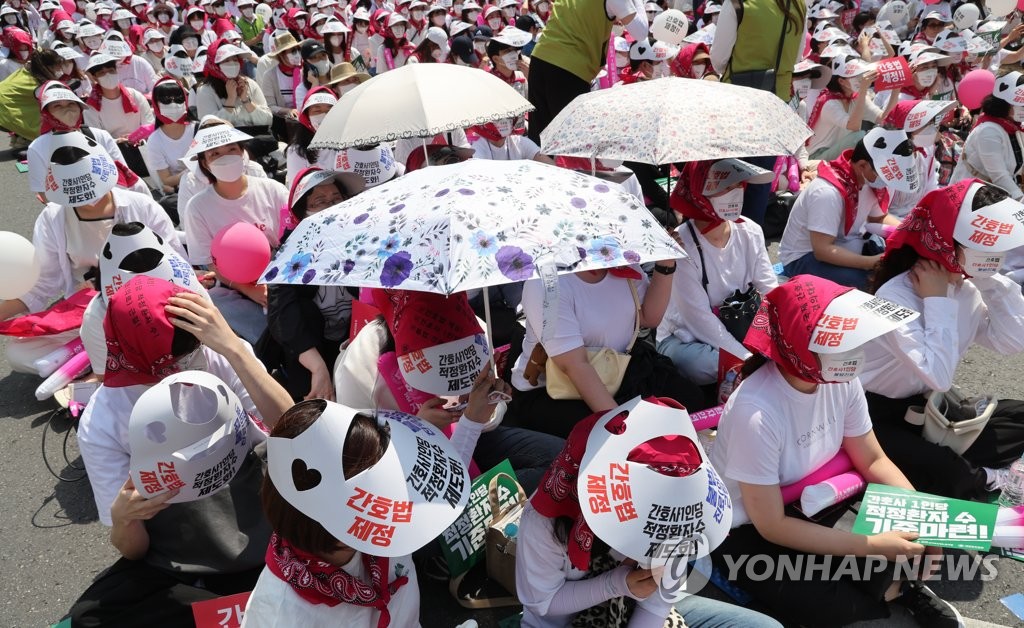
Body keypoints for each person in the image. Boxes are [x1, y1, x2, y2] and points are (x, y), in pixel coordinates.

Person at [710, 275, 963, 627]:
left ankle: (901, 590)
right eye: (842, 343)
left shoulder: (840, 380)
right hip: (751, 527)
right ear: (800, 346)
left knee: (907, 542)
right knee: (833, 603)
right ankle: (892, 592)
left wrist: (922, 516)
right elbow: (771, 525)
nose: (856, 353)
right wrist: (873, 545)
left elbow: (873, 459)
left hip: (818, 498)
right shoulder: (755, 412)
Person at [69, 276, 294, 626]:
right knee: (91, 617)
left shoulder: (220, 357)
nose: (183, 366)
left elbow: (293, 426)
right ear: (132, 349)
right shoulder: (103, 419)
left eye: (191, 352)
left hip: (264, 524)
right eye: (169, 360)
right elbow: (133, 550)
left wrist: (233, 347)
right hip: (184, 554)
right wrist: (126, 517)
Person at [517, 396, 784, 628]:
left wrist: (630, 587)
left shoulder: (682, 510)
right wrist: (617, 584)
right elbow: (542, 602)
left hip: (636, 608)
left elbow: (657, 603)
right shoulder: (544, 522)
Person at [860, 179, 1024, 500]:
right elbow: (938, 373)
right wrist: (937, 302)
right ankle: (987, 479)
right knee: (947, 471)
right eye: (988, 243)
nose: (997, 253)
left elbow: (1011, 341)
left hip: (930, 409)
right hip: (872, 416)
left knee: (1019, 417)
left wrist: (990, 281)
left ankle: (968, 467)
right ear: (951, 238)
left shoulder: (967, 288)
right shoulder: (896, 294)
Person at [332, 288, 565, 494]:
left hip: (474, 439)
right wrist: (419, 428)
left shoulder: (474, 330)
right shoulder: (361, 362)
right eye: (433, 357)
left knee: (559, 459)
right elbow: (360, 454)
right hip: (402, 464)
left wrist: (487, 406)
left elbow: (489, 420)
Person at [1, 131, 181, 375]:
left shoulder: (141, 206)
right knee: (18, 353)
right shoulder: (53, 217)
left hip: (144, 306)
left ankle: (94, 365)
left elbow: (176, 264)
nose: (87, 199)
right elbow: (43, 282)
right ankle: (113, 361)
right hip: (84, 312)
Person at [507, 253, 708, 439]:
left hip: (620, 368)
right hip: (558, 389)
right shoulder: (544, 281)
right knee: (604, 439)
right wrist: (623, 429)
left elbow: (649, 317)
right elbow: (575, 365)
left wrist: (666, 265)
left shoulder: (619, 260)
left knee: (690, 402)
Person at [657, 159, 778, 386]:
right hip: (686, 338)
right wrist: (748, 359)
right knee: (704, 365)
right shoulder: (682, 245)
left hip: (741, 326)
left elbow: (769, 289)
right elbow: (699, 320)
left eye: (739, 185)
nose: (735, 194)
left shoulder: (750, 231)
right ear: (699, 191)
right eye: (725, 187)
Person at [261, 167, 364, 401]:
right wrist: (318, 368)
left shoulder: (363, 241)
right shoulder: (289, 252)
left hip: (355, 343)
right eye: (320, 201)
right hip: (310, 350)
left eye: (336, 199)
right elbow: (282, 313)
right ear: (303, 212)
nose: (331, 207)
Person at [182, 123, 288, 344]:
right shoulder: (197, 207)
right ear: (204, 163)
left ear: (243, 153)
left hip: (280, 274)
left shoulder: (273, 190)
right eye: (215, 154)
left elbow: (290, 239)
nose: (225, 157)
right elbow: (210, 265)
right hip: (232, 287)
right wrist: (248, 290)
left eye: (231, 149)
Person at [779, 128, 912, 290]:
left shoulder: (870, 183)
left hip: (844, 244)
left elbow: (878, 218)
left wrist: (908, 232)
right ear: (863, 165)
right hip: (803, 257)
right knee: (871, 284)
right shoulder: (827, 191)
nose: (885, 182)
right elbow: (822, 250)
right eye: (883, 176)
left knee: (894, 273)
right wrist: (870, 263)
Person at [526, 0, 647, 144]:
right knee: (571, 146)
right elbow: (641, 32)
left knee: (539, 142)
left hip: (541, 58)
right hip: (569, 68)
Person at [27, 81, 149, 204]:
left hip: (111, 202)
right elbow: (44, 192)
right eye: (57, 106)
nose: (67, 109)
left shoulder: (100, 136)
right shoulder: (37, 148)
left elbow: (121, 174)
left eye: (71, 103)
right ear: (46, 112)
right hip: (69, 210)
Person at [951, 71, 1024, 201]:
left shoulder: (1014, 125)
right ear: (1004, 103)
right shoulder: (988, 131)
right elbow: (999, 176)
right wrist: (1020, 200)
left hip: (998, 195)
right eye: (1020, 104)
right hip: (971, 198)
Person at [805, 54, 892, 160]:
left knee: (878, 130)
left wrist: (896, 88)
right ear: (841, 81)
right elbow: (854, 126)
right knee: (859, 136)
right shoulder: (830, 103)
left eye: (862, 74)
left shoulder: (856, 97)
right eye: (857, 76)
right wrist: (863, 89)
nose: (861, 79)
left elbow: (884, 118)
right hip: (817, 156)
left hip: (837, 150)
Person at [881, 99, 955, 218]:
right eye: (925, 124)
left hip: (916, 217)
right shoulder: (887, 160)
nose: (933, 128)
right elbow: (879, 215)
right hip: (891, 225)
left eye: (932, 122)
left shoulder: (927, 150)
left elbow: (930, 190)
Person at [198, 38, 273, 133]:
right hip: (227, 144)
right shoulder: (205, 91)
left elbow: (268, 121)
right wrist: (230, 101)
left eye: (235, 59)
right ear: (215, 64)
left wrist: (246, 100)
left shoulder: (249, 84)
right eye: (226, 60)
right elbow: (208, 128)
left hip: (256, 140)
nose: (232, 64)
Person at [146, 77, 196, 211]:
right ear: (156, 104)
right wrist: (191, 172)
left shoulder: (198, 128)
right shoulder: (155, 141)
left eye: (178, 98)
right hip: (182, 190)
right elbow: (166, 180)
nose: (173, 104)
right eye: (166, 100)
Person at [285, 86, 341, 185]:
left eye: (329, 111)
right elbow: (297, 186)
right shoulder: (296, 151)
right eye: (317, 111)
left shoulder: (348, 143)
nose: (324, 115)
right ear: (307, 116)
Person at [468, 116, 552, 162]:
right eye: (497, 116)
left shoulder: (518, 141)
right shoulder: (477, 147)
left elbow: (548, 164)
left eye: (507, 115)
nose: (504, 119)